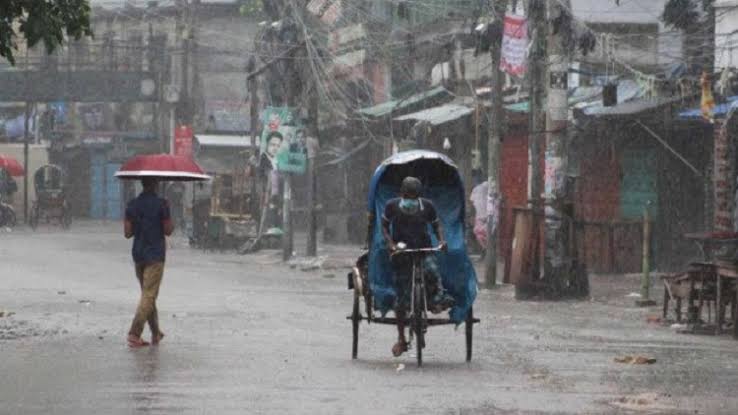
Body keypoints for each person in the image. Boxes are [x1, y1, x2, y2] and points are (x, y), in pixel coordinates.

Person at [381, 176, 455, 357]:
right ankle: (401, 339)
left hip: (424, 249)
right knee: (400, 298)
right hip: (402, 253)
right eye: (408, 196)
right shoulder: (392, 206)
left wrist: (442, 241)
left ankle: (436, 300)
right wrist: (390, 243)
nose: (411, 200)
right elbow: (384, 226)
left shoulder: (427, 206)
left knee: (432, 272)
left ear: (419, 196)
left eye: (414, 196)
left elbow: (437, 226)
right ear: (401, 194)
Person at [124, 177, 173, 348]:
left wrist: (140, 223)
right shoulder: (162, 204)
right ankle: (134, 333)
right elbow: (168, 230)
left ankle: (156, 332)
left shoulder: (132, 204)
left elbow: (127, 233)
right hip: (155, 256)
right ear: (156, 184)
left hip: (138, 254)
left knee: (148, 294)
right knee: (149, 295)